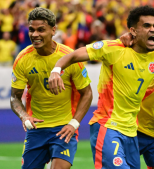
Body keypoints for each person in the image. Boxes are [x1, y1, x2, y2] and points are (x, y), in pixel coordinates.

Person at [48, 6, 154, 169]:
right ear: (133, 31)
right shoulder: (113, 49)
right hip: (107, 125)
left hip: (132, 131)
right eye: (146, 26)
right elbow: (74, 55)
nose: (153, 30)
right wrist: (55, 71)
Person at [10, 7, 92, 169]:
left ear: (53, 30)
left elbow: (87, 93)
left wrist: (74, 123)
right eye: (32, 30)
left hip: (64, 129)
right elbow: (14, 97)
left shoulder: (70, 56)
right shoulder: (22, 59)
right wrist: (24, 116)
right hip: (37, 129)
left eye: (41, 30)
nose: (35, 35)